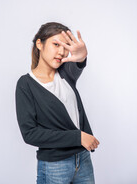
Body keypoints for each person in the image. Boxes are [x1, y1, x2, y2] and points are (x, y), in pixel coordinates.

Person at [15, 22, 100, 184]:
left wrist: (82, 56)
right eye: (56, 44)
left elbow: (79, 63)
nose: (61, 51)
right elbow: (30, 134)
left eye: (65, 46)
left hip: (83, 160)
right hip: (55, 165)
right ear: (39, 44)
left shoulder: (66, 74)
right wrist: (78, 137)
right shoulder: (26, 84)